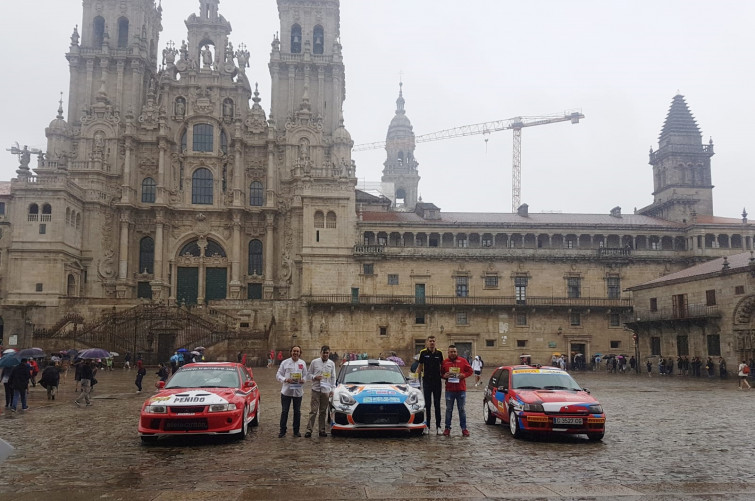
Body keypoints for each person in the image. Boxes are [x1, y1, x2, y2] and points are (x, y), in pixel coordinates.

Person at [441, 345, 474, 437]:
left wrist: (463, 375)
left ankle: (464, 429)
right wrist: (444, 376)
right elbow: (441, 373)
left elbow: (470, 371)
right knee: (448, 410)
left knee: (462, 409)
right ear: (448, 353)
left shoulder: (463, 361)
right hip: (449, 390)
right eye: (451, 352)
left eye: (454, 352)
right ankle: (447, 428)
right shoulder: (445, 362)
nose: (453, 353)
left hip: (461, 389)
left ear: (457, 352)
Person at [276, 345, 308, 438]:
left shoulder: (302, 363)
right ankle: (282, 431)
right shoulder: (285, 363)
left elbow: (306, 375)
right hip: (286, 391)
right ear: (291, 352)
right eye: (294, 351)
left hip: (298, 391)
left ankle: (296, 431)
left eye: (297, 351)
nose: (295, 353)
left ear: (300, 353)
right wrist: (285, 379)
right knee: (285, 411)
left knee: (297, 412)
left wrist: (304, 380)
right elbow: (278, 375)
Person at [305, 345, 336, 438]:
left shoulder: (331, 364)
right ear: (320, 353)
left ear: (329, 353)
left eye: (327, 353)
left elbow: (333, 377)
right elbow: (308, 374)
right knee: (313, 411)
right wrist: (314, 377)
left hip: (326, 391)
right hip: (316, 389)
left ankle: (321, 430)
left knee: (323, 411)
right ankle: (309, 430)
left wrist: (332, 389)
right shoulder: (314, 362)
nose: (325, 354)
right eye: (324, 352)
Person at [417, 335, 444, 435]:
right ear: (427, 342)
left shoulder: (439, 353)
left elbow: (442, 366)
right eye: (430, 341)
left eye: (433, 341)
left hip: (437, 382)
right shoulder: (423, 353)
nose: (432, 343)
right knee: (427, 405)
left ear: (435, 342)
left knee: (437, 404)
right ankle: (427, 426)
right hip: (427, 382)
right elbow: (419, 367)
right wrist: (414, 378)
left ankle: (438, 426)